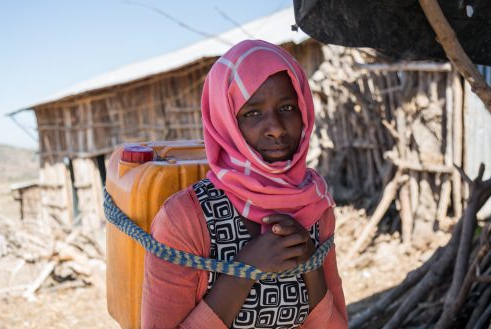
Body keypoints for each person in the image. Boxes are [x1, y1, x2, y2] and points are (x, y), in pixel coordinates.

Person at [141, 39, 347, 329]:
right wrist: (243, 271)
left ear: (304, 111)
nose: (275, 128)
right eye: (252, 113)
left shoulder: (315, 208)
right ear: (226, 123)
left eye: (287, 107)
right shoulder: (184, 220)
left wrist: (311, 265)